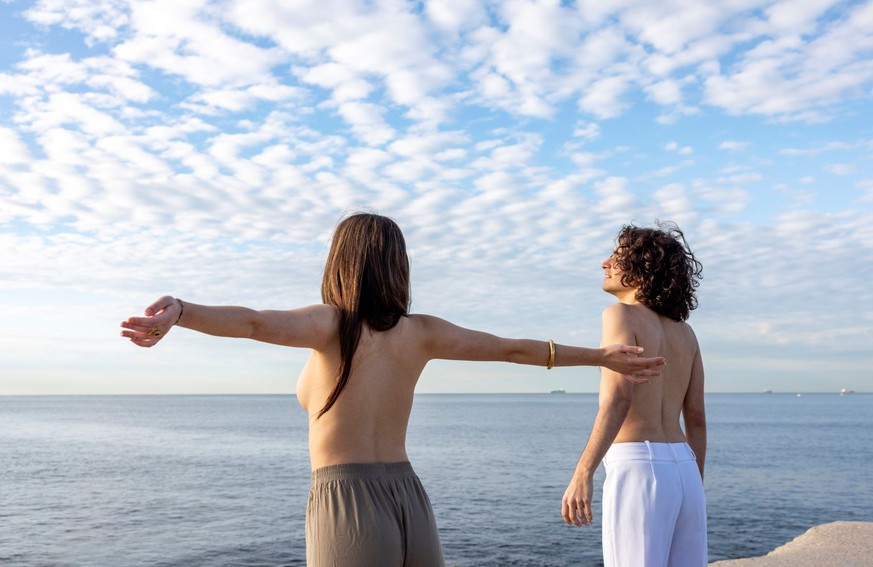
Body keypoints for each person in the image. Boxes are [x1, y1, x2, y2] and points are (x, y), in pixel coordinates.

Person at [121, 212, 665, 567]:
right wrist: (596, 356)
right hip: (410, 497)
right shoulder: (420, 332)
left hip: (347, 499)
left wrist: (184, 313)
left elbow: (255, 323)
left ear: (340, 261)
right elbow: (513, 348)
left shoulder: (331, 325)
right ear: (397, 266)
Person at [561, 222, 706, 567]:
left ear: (642, 270)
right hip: (686, 470)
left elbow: (618, 399)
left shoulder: (619, 314)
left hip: (638, 468)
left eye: (617, 257)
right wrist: (692, 484)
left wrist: (583, 472)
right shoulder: (685, 333)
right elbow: (697, 418)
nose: (604, 263)